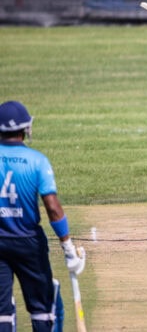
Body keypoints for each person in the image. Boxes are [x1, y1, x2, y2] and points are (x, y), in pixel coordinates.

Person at [0, 100, 85, 332]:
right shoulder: (37, 161)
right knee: (42, 311)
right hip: (29, 244)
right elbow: (52, 207)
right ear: (25, 129)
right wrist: (67, 246)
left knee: (1, 315)